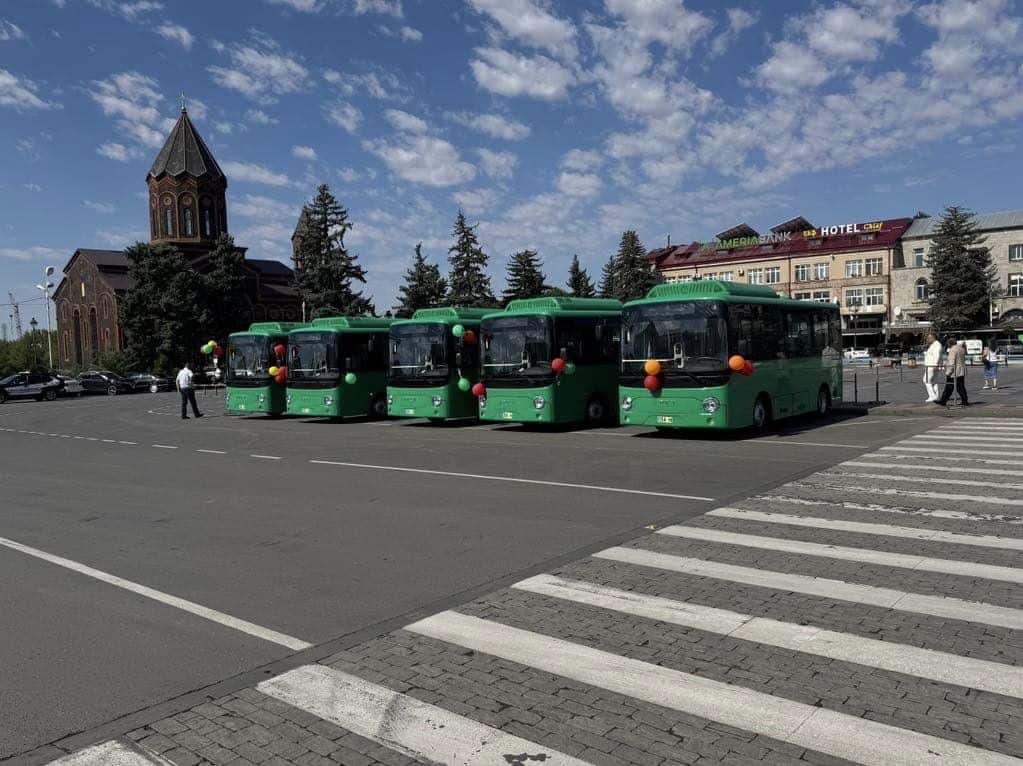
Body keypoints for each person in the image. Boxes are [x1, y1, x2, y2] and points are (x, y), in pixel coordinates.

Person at [935, 337, 968, 406]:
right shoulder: (961, 348)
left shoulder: (953, 350)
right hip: (961, 370)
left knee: (949, 387)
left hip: (954, 372)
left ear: (949, 344)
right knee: (961, 387)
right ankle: (965, 401)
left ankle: (943, 401)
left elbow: (951, 362)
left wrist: (948, 372)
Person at [922, 332, 943, 402]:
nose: (928, 339)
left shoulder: (936, 345)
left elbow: (937, 356)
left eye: (929, 338)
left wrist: (935, 364)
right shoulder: (934, 345)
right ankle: (936, 396)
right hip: (932, 366)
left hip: (931, 366)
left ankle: (932, 396)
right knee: (934, 381)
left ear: (933, 338)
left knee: (926, 380)